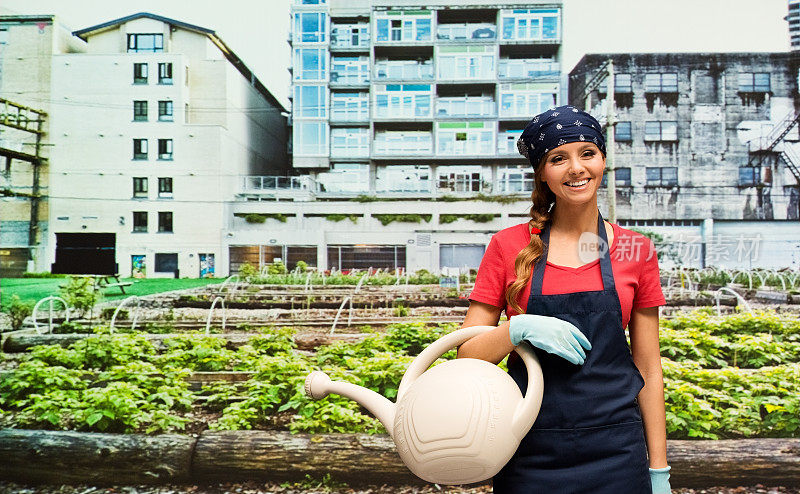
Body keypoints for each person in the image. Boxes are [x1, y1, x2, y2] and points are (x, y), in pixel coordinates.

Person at [457, 105, 671, 493]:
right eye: (559, 158)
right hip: (527, 448)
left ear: (602, 160)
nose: (576, 168)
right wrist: (517, 329)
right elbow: (466, 354)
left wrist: (659, 471)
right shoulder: (507, 246)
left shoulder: (635, 250)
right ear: (542, 172)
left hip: (617, 451)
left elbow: (649, 369)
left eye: (587, 153)